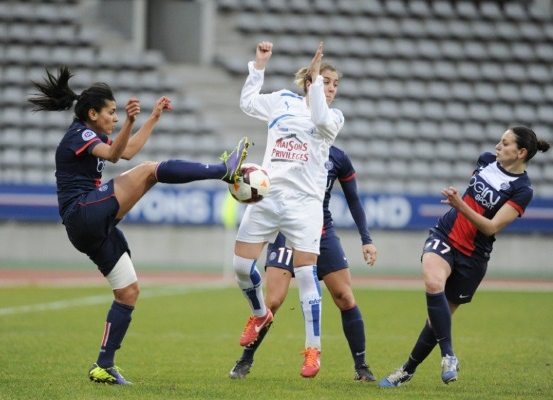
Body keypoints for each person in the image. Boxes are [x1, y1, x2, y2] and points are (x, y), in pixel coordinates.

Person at [28, 66, 250, 385]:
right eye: (111, 112)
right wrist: (132, 121)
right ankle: (222, 170)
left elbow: (126, 150)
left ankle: (104, 365)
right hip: (82, 212)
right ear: (92, 113)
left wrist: (153, 117)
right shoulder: (81, 134)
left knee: (129, 291)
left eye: (118, 114)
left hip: (91, 225)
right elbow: (118, 156)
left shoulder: (92, 134)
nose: (116, 118)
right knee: (149, 170)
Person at [378, 126, 550, 388]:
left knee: (436, 320)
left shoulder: (523, 190)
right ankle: (448, 355)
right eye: (499, 142)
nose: (497, 146)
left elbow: (491, 227)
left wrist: (461, 205)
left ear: (521, 152)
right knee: (434, 283)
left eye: (505, 144)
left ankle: (406, 370)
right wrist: (459, 208)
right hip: (445, 235)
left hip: (474, 256)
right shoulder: (485, 160)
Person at [232, 41, 345, 378]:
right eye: (327, 82)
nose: (332, 89)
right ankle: (259, 312)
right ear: (309, 82)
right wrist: (259, 65)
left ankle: (313, 350)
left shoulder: (332, 116)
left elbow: (320, 116)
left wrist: (316, 86)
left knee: (308, 275)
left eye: (336, 84)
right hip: (268, 197)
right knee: (240, 265)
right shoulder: (281, 100)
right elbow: (248, 103)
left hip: (305, 205)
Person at [229, 145, 378, 381]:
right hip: (286, 229)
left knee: (344, 296)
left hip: (321, 231)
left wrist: (366, 239)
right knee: (274, 301)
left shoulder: (338, 157)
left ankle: (361, 367)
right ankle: (245, 360)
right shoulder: (289, 146)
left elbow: (353, 198)